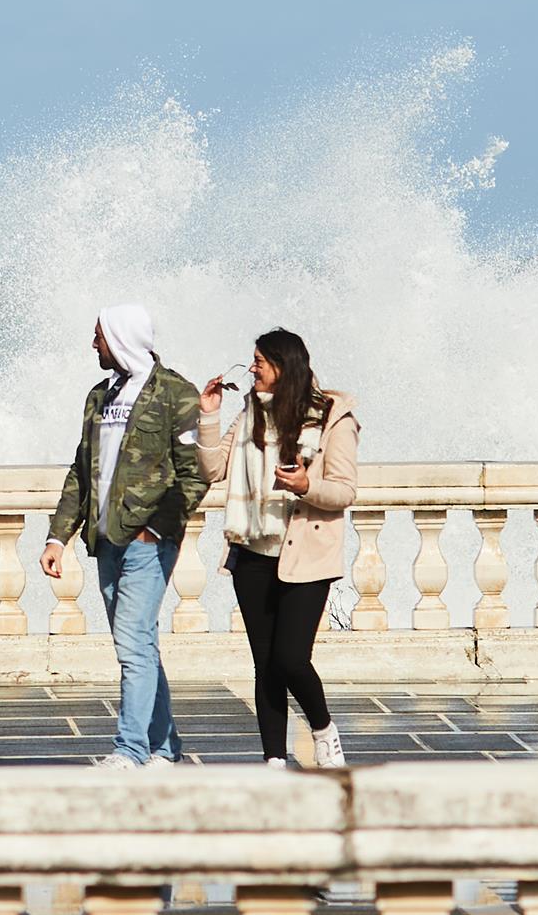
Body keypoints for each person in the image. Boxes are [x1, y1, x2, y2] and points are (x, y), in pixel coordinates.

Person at [40, 304, 209, 768]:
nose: (93, 344)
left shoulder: (176, 394)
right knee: (140, 645)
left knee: (131, 643)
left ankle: (130, 750)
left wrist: (156, 530)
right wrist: (58, 538)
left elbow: (194, 476)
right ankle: (166, 748)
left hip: (148, 542)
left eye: (98, 336)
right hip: (106, 540)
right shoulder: (99, 396)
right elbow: (82, 472)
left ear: (119, 339)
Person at [198, 328, 359, 769]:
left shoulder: (332, 418)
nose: (252, 369)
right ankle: (274, 758)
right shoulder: (249, 411)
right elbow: (212, 469)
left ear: (283, 368)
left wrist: (307, 485)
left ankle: (323, 729)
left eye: (260, 362)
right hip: (251, 551)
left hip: (305, 553)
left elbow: (344, 491)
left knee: (291, 659)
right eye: (252, 361)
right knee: (265, 663)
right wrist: (208, 416)